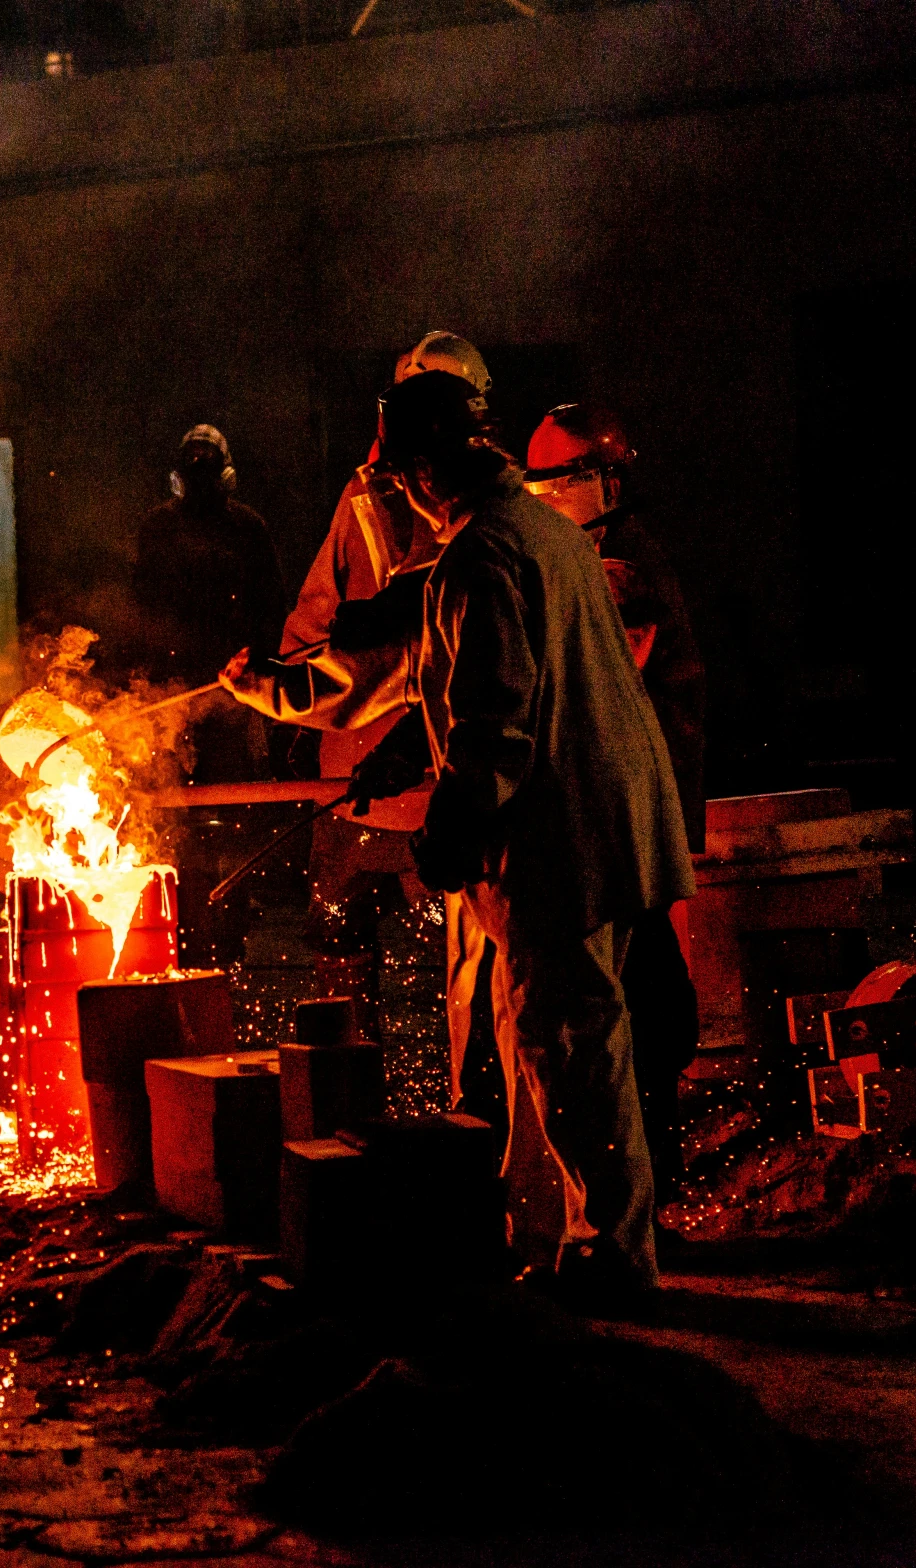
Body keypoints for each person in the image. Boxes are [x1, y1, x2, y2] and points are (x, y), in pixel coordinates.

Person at [349, 371, 694, 1309]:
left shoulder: (482, 555)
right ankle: (566, 1241)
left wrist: (449, 833)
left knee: (572, 1046)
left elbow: (498, 722)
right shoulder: (540, 530)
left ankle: (614, 1260)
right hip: (606, 820)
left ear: (424, 469)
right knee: (567, 1041)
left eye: (402, 478)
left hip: (561, 837)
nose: (404, 495)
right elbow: (502, 683)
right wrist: (405, 752)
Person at [269, 332, 502, 1111]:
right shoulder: (372, 496)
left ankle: (466, 1109)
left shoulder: (494, 518)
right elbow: (316, 622)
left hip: (434, 766)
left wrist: (291, 691)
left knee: (467, 954)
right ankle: (361, 1107)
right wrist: (296, 682)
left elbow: (432, 647)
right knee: (350, 945)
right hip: (366, 769)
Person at [522, 404, 706, 1201]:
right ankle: (648, 1186)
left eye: (558, 481)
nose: (544, 497)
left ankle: (647, 1194)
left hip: (628, 806)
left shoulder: (622, 565)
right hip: (624, 804)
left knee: (640, 999)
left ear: (606, 479)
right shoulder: (594, 552)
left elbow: (594, 681)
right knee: (632, 991)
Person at [127, 424, 286, 962]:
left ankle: (229, 923)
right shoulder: (159, 528)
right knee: (176, 814)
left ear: (224, 471)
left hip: (230, 693)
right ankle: (185, 923)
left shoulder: (247, 528)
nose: (198, 474)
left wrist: (259, 675)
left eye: (205, 462)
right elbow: (141, 606)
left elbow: (270, 607)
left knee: (231, 812)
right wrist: (145, 682)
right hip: (174, 697)